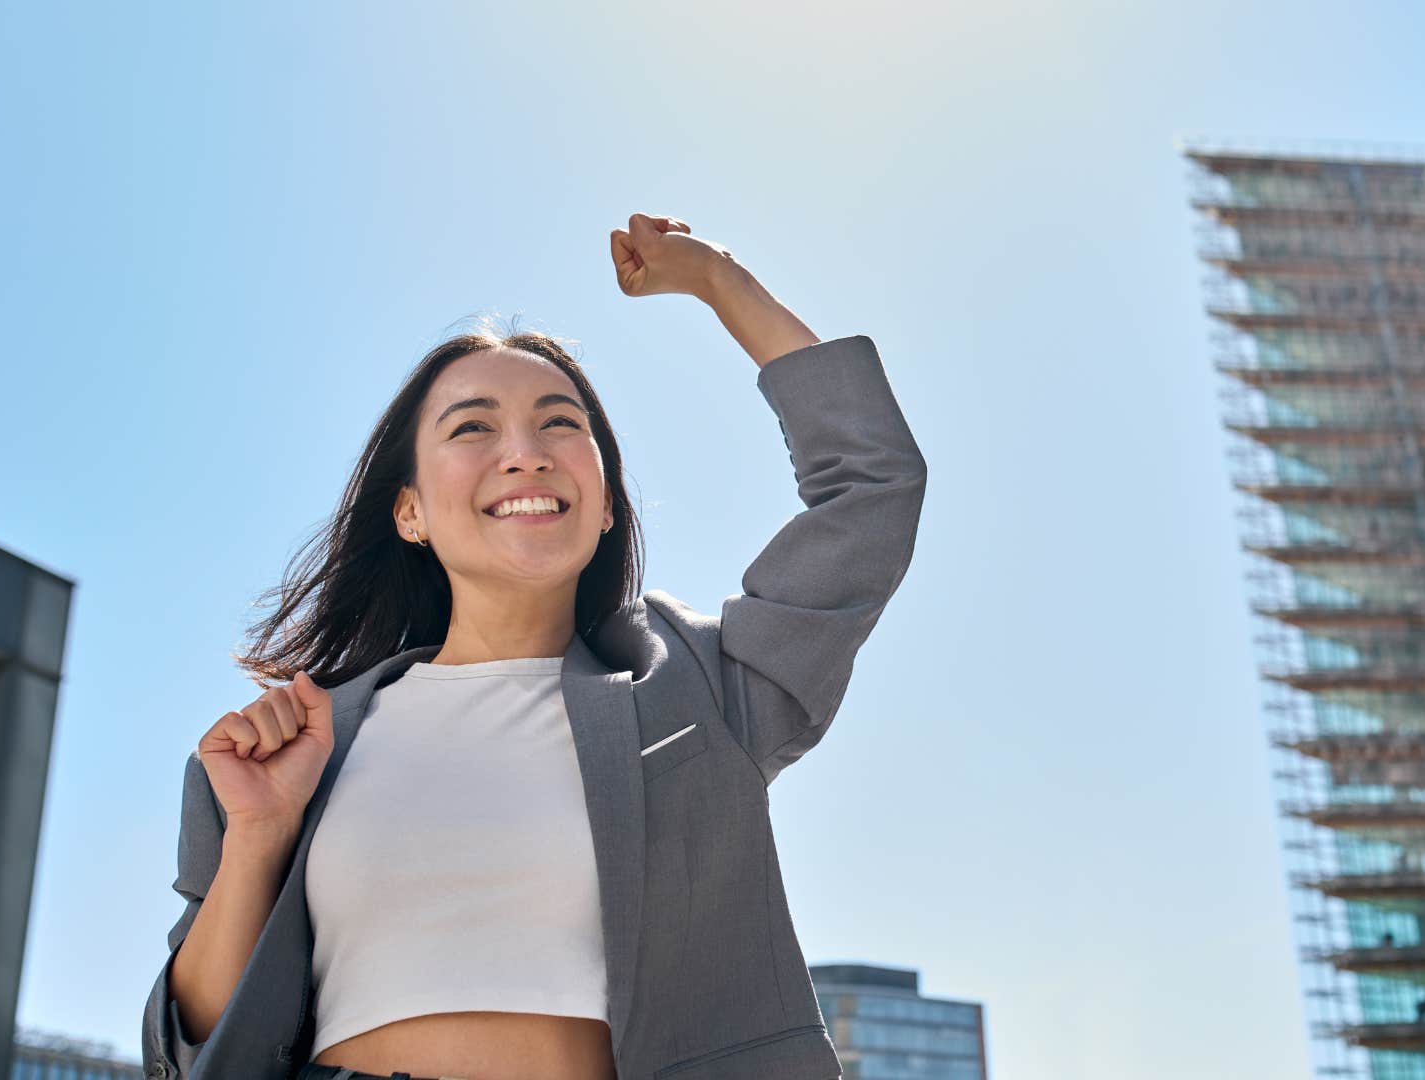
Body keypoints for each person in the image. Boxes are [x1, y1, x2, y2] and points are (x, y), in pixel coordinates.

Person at [138, 213, 928, 1080]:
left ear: (606, 502)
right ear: (409, 511)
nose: (525, 454)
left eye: (559, 424)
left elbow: (872, 486)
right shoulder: (296, 748)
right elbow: (197, 1045)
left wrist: (718, 279)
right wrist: (258, 834)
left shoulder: (701, 691)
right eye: (472, 428)